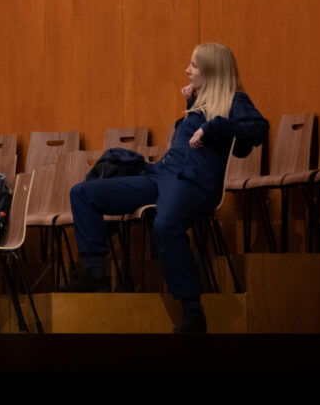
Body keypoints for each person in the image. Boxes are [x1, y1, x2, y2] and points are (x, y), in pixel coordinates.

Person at [61, 41, 269, 333]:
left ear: (211, 70)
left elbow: (258, 129)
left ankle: (192, 310)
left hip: (193, 182)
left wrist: (212, 126)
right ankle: (96, 273)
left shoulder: (235, 100)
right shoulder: (200, 102)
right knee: (82, 193)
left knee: (165, 225)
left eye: (194, 65)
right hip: (163, 175)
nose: (187, 69)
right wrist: (195, 103)